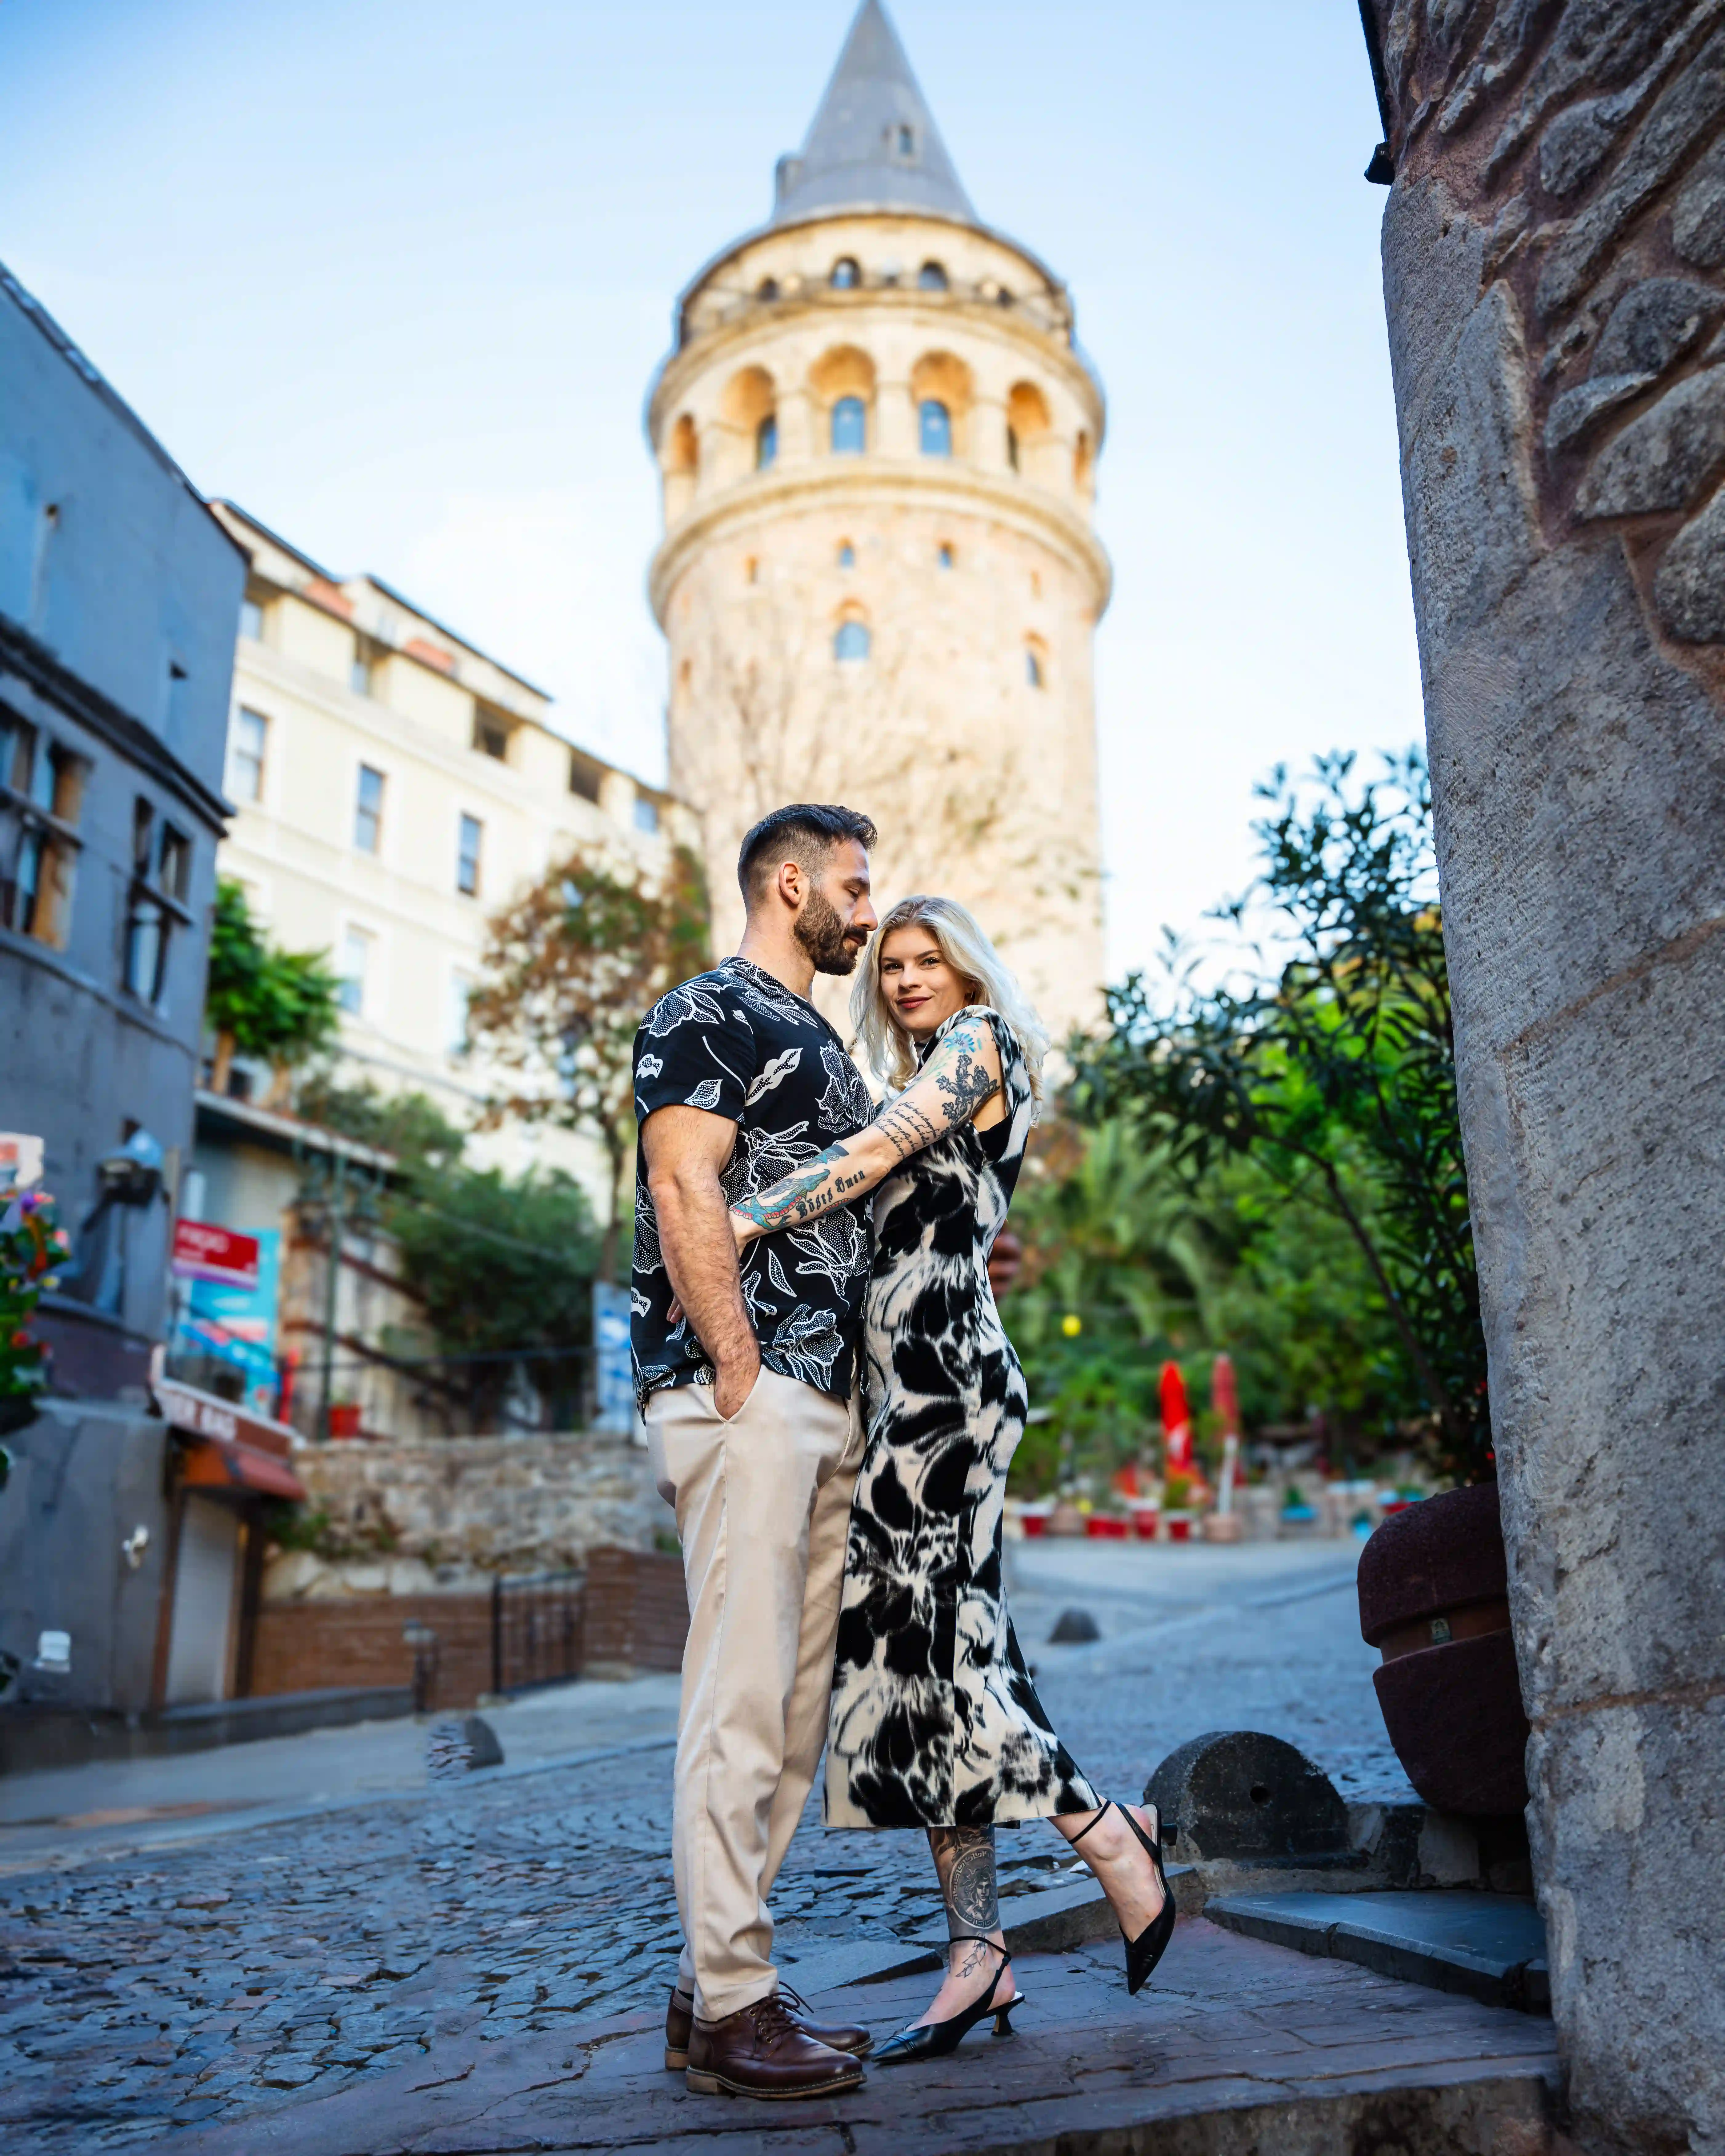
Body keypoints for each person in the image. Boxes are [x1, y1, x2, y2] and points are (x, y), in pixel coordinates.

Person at [725, 895, 1175, 2066]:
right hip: (898, 1400)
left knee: (935, 1659)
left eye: (930, 960)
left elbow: (869, 1156)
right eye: (894, 965)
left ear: (966, 970)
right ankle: (978, 1952)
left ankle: (1110, 1835)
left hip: (949, 1391)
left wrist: (733, 1223)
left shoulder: (979, 1047)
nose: (908, 978)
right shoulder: (921, 1065)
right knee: (924, 1672)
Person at [631, 803, 883, 2101]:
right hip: (752, 1392)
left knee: (787, 1721)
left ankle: (707, 1993)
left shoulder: (824, 1044)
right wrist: (737, 1365)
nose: (870, 905)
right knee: (738, 1702)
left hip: (826, 1400)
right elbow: (687, 1186)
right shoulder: (704, 1011)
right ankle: (735, 2003)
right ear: (790, 885)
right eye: (854, 881)